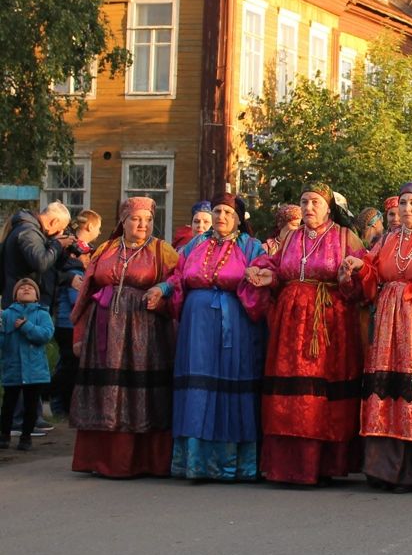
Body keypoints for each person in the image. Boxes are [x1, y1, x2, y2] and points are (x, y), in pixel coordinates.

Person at [242, 183, 364, 485]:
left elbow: (363, 278)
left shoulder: (345, 236)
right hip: (289, 324)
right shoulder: (292, 237)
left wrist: (350, 277)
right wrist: (261, 272)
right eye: (304, 201)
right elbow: (276, 265)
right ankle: (287, 465)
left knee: (320, 391)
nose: (309, 208)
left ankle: (320, 465)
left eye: (315, 203)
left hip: (327, 324)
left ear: (328, 207)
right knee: (288, 391)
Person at [340, 182, 412, 490]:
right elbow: (372, 272)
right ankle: (386, 469)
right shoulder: (386, 239)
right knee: (387, 386)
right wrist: (358, 266)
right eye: (403, 203)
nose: (406, 209)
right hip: (388, 320)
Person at [150, 195, 267, 481]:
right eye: (217, 211)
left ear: (239, 218)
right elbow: (178, 275)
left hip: (234, 324)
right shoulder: (195, 244)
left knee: (230, 381)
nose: (221, 216)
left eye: (228, 212)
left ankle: (232, 464)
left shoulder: (252, 247)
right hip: (196, 326)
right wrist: (163, 289)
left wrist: (257, 274)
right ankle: (195, 462)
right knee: (197, 383)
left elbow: (266, 276)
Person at [70, 197, 179, 477]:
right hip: (103, 328)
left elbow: (178, 286)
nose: (142, 225)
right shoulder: (105, 249)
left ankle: (143, 461)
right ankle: (101, 459)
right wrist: (79, 334)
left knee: (139, 392)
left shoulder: (162, 251)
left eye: (148, 220)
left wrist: (162, 298)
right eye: (136, 219)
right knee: (106, 390)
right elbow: (85, 295)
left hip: (145, 332)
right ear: (123, 221)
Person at [50, 209, 101, 417]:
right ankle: (58, 402)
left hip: (67, 318)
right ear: (89, 226)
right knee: (69, 363)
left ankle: (62, 402)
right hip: (68, 320)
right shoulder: (72, 256)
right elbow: (76, 295)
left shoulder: (73, 254)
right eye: (98, 227)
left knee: (68, 361)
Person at [0, 278, 54, 451]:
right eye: (21, 288)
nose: (25, 289)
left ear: (37, 296)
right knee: (8, 404)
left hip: (35, 369)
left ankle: (26, 437)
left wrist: (26, 326)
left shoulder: (42, 314)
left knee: (31, 406)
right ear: (15, 295)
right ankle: (4, 435)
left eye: (30, 288)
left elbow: (45, 335)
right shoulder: (6, 315)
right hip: (13, 367)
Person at [2, 200, 73, 309]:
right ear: (54, 222)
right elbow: (41, 263)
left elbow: (51, 267)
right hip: (22, 304)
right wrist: (57, 244)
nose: (61, 233)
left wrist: (63, 250)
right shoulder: (29, 232)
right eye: (61, 228)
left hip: (27, 301)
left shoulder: (34, 232)